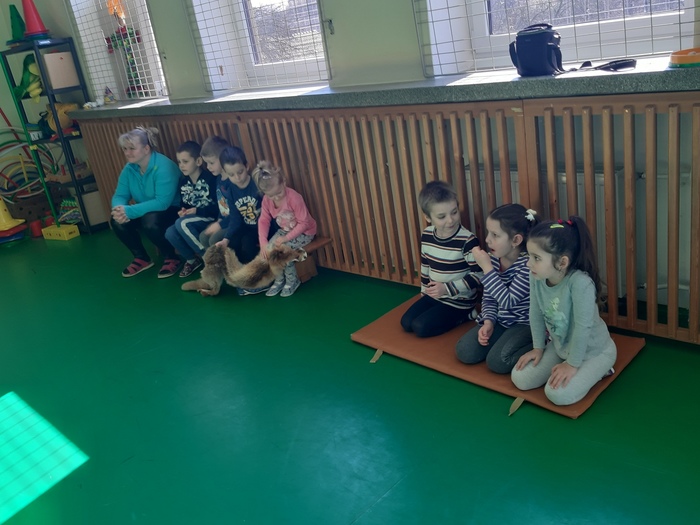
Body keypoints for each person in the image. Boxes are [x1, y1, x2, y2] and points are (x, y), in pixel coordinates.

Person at [511, 216, 617, 406]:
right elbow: (535, 313)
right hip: (561, 347)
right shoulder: (536, 276)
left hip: (594, 352)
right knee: (520, 378)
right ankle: (569, 364)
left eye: (536, 258)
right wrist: (538, 348)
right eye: (529, 256)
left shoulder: (580, 284)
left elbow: (582, 328)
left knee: (557, 394)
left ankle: (601, 369)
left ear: (562, 262)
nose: (528, 264)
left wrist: (572, 365)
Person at [455, 204, 539, 373]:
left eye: (495, 235)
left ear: (516, 240)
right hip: (501, 320)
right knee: (464, 350)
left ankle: (541, 344)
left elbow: (508, 302)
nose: (487, 240)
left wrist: (487, 269)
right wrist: (488, 321)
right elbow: (489, 298)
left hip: (524, 324)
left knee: (498, 362)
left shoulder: (528, 266)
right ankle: (501, 338)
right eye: (488, 233)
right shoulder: (494, 258)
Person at [400, 181, 482, 337]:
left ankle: (466, 315)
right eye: (442, 216)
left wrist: (447, 288)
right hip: (436, 295)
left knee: (420, 328)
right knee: (406, 323)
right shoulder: (427, 235)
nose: (450, 220)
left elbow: (479, 275)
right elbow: (425, 266)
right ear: (428, 217)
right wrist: (424, 292)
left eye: (454, 212)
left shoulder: (467, 240)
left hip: (459, 300)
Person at [111, 126, 180, 278]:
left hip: (173, 210)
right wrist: (118, 209)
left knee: (150, 220)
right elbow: (120, 195)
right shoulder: (129, 168)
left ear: (146, 149)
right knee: (116, 221)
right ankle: (141, 258)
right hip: (146, 210)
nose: (127, 153)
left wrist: (129, 211)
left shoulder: (164, 166)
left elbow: (162, 203)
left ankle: (171, 257)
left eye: (132, 148)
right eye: (125, 149)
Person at [253, 161, 316, 297]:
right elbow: (263, 221)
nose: (276, 197)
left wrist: (285, 238)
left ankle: (292, 281)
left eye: (279, 192)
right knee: (269, 251)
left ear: (284, 182)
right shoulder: (266, 200)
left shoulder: (294, 198)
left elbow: (304, 223)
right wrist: (263, 243)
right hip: (285, 231)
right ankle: (279, 279)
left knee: (283, 252)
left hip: (305, 232)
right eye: (271, 195)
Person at [164, 141, 218, 278]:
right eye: (179, 162)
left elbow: (217, 207)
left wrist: (196, 211)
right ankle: (192, 260)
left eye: (185, 161)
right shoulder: (183, 183)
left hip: (210, 218)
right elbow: (185, 204)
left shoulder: (211, 179)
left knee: (181, 223)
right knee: (170, 232)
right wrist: (183, 211)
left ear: (198, 161)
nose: (181, 165)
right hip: (193, 219)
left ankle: (209, 259)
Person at [198, 135, 231, 248]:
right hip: (223, 221)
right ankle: (213, 259)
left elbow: (237, 213)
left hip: (234, 223)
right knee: (203, 236)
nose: (208, 167)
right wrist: (219, 220)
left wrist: (220, 225)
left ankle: (224, 260)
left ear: (223, 159)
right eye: (206, 163)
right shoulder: (218, 179)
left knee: (214, 239)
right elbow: (222, 205)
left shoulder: (232, 181)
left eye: (211, 163)